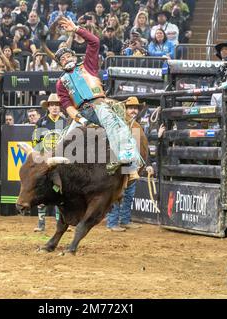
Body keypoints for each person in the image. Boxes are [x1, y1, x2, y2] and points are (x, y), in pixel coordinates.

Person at [54, 17, 141, 178]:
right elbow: (67, 106)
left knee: (117, 127)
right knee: (64, 142)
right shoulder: (60, 83)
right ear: (60, 64)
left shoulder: (88, 65)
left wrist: (76, 29)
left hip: (99, 105)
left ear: (74, 56)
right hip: (81, 113)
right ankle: (56, 178)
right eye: (61, 59)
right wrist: (81, 119)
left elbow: (94, 42)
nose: (65, 59)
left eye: (67, 56)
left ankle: (130, 169)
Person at [106, 96, 145, 231]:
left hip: (131, 163)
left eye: (135, 108)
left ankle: (125, 219)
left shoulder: (137, 126)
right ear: (125, 110)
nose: (133, 111)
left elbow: (142, 147)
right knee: (117, 191)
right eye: (130, 108)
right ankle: (112, 222)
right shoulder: (118, 123)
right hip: (119, 162)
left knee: (129, 192)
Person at [32, 93, 68, 232]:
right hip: (46, 161)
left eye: (57, 105)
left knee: (61, 192)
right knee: (43, 190)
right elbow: (36, 142)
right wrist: (41, 157)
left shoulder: (65, 122)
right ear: (48, 107)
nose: (54, 107)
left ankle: (62, 223)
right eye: (52, 105)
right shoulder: (41, 122)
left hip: (61, 162)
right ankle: (41, 224)